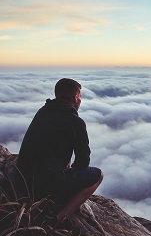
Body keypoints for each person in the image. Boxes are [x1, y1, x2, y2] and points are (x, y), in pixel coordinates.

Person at [17, 78, 103, 223]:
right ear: (76, 98)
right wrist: (69, 172)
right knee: (98, 175)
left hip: (22, 181)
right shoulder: (75, 121)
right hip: (45, 187)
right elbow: (83, 162)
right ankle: (57, 218)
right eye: (80, 97)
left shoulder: (43, 111)